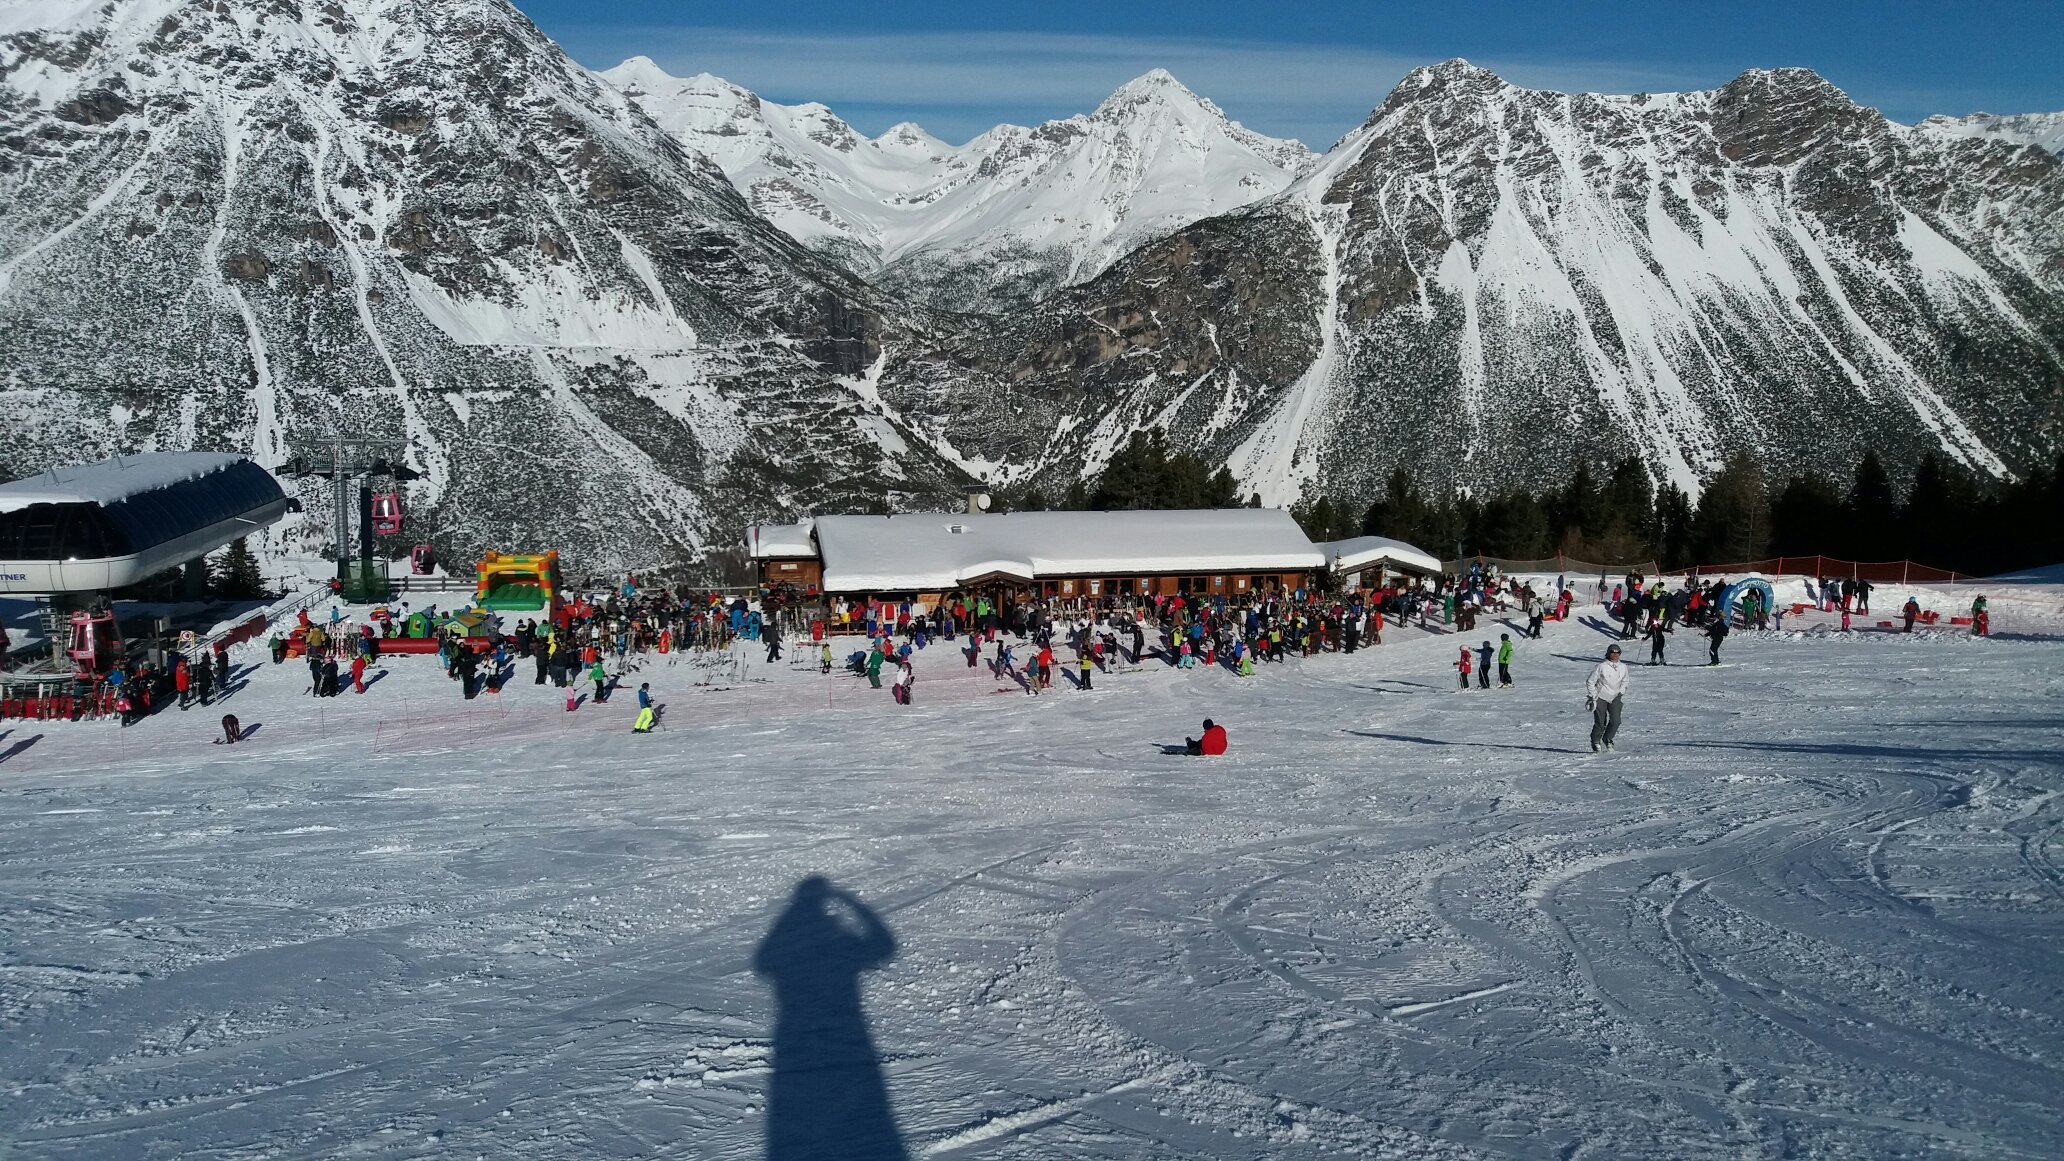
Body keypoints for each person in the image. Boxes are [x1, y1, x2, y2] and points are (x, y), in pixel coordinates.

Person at [1587, 644, 1630, 752]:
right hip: (1600, 696)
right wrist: (1593, 695)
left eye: (1617, 652)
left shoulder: (1623, 667)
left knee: (1616, 721)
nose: (1615, 654)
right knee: (1601, 722)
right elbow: (1590, 681)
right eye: (1612, 652)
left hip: (1615, 696)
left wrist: (1621, 691)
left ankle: (1608, 738)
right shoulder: (1601, 666)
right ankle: (1596, 740)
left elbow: (1625, 680)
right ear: (1608, 653)